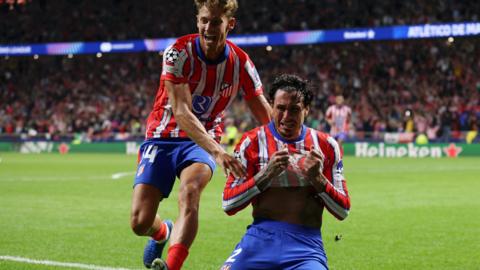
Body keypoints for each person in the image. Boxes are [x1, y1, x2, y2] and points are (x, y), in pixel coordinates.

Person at [130, 0, 272, 269]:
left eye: (216, 21)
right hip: (162, 136)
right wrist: (218, 152)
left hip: (202, 140)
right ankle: (162, 232)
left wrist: (294, 139)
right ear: (197, 21)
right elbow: (182, 112)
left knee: (190, 190)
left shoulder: (240, 62)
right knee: (140, 223)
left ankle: (171, 265)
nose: (208, 27)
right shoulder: (177, 53)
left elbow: (263, 110)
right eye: (204, 20)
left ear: (229, 24)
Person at [221, 74, 351, 269]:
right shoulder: (251, 142)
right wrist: (265, 175)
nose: (286, 117)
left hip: (306, 248)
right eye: (280, 108)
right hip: (258, 241)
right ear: (271, 106)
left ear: (306, 110)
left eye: (294, 110)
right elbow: (228, 204)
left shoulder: (327, 146)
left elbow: (343, 210)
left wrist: (317, 178)